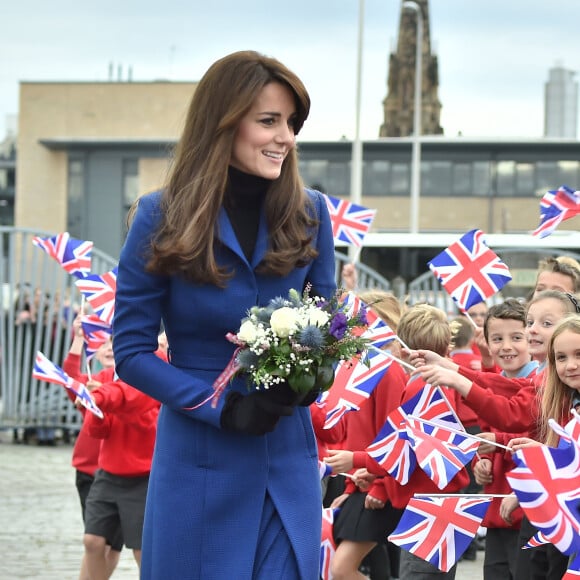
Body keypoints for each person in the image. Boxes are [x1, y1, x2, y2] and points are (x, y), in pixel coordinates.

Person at [112, 50, 337, 580]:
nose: (286, 137)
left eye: (291, 123)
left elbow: (328, 333)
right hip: (198, 458)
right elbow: (131, 353)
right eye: (269, 121)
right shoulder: (157, 215)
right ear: (223, 123)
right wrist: (219, 404)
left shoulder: (312, 213)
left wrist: (304, 384)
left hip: (285, 457)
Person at [506, 314, 580, 580]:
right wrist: (542, 459)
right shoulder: (568, 407)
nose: (570, 365)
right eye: (560, 358)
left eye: (579, 354)